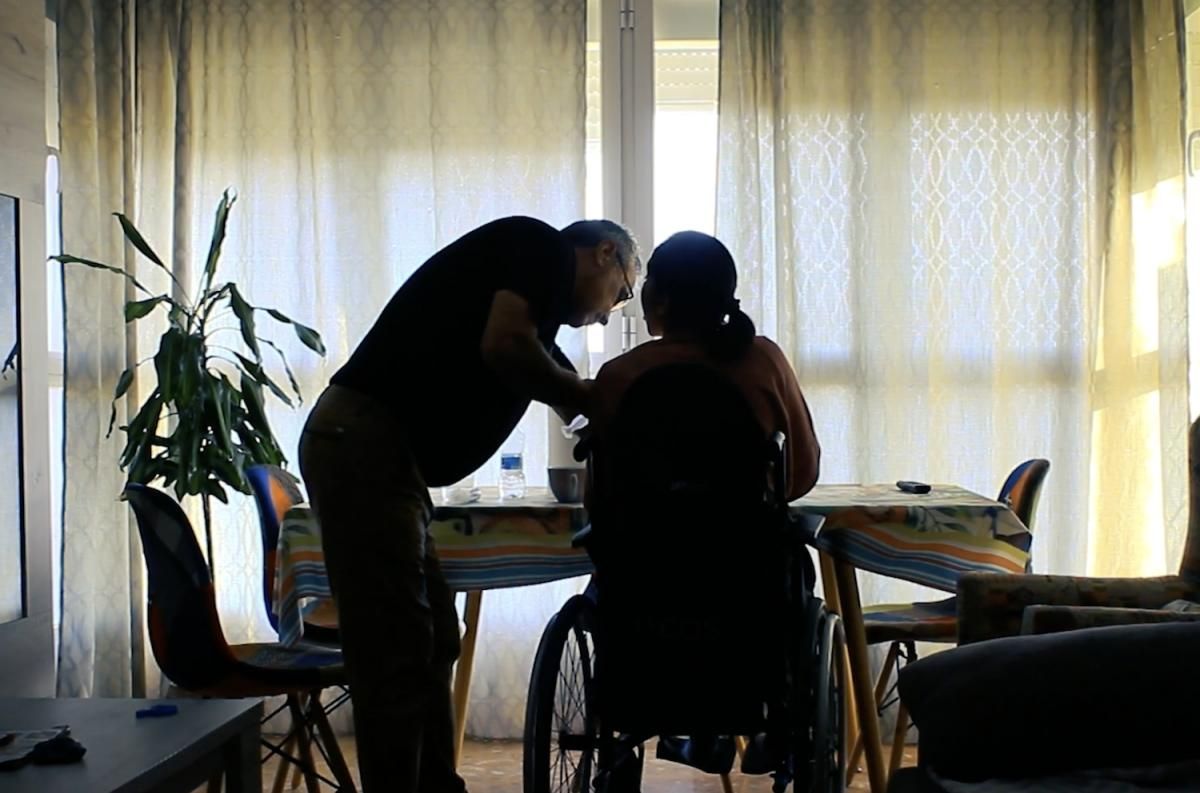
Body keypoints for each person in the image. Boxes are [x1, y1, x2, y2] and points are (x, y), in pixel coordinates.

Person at [298, 215, 639, 793]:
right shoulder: (542, 248)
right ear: (605, 253)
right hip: (363, 445)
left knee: (432, 636)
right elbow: (507, 347)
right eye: (621, 293)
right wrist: (585, 398)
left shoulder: (537, 300)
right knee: (396, 648)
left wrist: (585, 406)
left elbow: (551, 372)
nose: (609, 313)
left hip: (382, 456)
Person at [589, 230, 819, 500]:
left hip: (644, 528)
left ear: (662, 301)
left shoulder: (620, 374)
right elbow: (803, 472)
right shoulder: (765, 359)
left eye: (648, 280)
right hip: (745, 527)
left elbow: (601, 494)